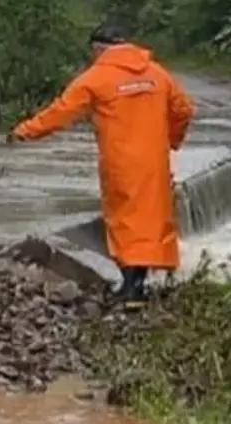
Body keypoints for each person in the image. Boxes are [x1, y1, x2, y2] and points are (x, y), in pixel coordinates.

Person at [11, 26, 195, 303]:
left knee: (124, 221)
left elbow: (61, 112)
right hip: (154, 162)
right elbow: (183, 110)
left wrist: (24, 131)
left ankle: (132, 288)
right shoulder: (157, 74)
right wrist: (171, 140)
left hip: (120, 162)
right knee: (151, 219)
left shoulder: (95, 78)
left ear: (98, 50)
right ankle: (139, 284)